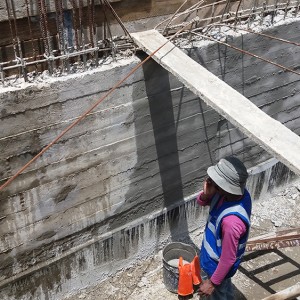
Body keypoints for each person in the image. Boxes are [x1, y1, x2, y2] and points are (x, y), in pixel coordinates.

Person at [197, 156, 252, 299]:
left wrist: (212, 283)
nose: (210, 181)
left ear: (223, 187)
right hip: (215, 263)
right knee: (225, 289)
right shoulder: (237, 195)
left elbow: (228, 259)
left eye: (215, 181)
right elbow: (203, 202)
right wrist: (206, 195)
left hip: (217, 267)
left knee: (218, 295)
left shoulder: (231, 223)